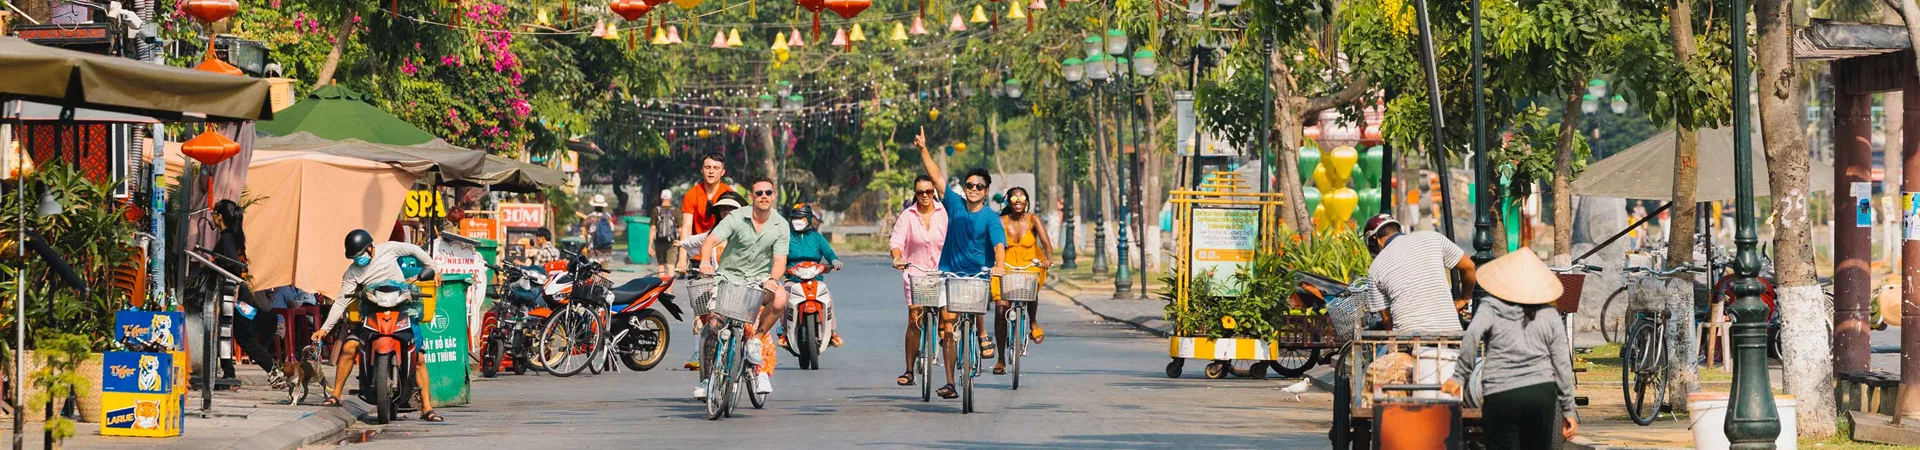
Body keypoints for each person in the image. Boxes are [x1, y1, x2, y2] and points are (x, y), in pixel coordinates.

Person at [1442, 248, 1578, 448]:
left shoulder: (1490, 307)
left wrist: (1459, 377)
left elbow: (1471, 336)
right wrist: (1568, 410)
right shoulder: (1549, 314)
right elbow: (1562, 362)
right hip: (1540, 394)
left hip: (1501, 393)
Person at [913, 127, 1008, 400]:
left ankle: (979, 336)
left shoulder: (990, 217)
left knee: (971, 317)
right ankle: (950, 382)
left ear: (986, 191)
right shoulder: (954, 204)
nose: (974, 189)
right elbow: (936, 177)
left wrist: (999, 267)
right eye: (970, 185)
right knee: (948, 325)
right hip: (949, 275)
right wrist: (923, 149)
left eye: (979, 186)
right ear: (964, 188)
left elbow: (999, 246)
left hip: (978, 278)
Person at [311, 229, 444, 422]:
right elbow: (341, 302)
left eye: (360, 255)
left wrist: (434, 268)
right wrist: (324, 329)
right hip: (372, 314)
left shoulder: (389, 249)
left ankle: (427, 408)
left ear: (370, 248)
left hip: (402, 311)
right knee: (349, 347)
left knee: (420, 357)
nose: (358, 260)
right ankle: (335, 395)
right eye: (354, 257)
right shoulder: (352, 273)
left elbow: (414, 250)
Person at [1360, 213, 1478, 397]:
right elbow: (1469, 267)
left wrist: (1392, 345)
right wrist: (1464, 298)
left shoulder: (1375, 269)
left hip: (1409, 340)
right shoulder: (1433, 238)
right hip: (1451, 334)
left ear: (1375, 240)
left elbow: (1387, 320)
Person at [696, 178, 790, 399]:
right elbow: (710, 241)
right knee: (714, 326)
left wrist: (773, 279)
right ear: (751, 196)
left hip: (759, 281)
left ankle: (756, 340)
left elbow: (779, 260)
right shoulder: (737, 217)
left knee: (780, 298)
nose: (764, 196)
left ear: (773, 196)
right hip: (729, 278)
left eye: (768, 192)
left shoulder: (781, 225)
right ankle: (707, 380)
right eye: (759, 193)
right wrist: (705, 262)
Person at [210, 200, 279, 384]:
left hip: (236, 295)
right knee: (232, 334)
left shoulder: (227, 239)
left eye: (214, 214)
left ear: (220, 217)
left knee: (241, 336)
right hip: (240, 294)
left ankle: (273, 369)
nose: (212, 218)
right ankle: (230, 373)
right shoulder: (234, 236)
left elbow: (233, 265)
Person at [889, 174, 947, 389]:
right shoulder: (907, 216)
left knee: (947, 321)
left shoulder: (944, 213)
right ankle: (909, 370)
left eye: (929, 191)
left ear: (934, 192)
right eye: (920, 192)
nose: (925, 196)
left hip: (942, 273)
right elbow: (896, 241)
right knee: (915, 318)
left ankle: (950, 366)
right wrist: (897, 258)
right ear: (915, 193)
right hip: (916, 273)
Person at [990, 186, 1051, 376]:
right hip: (1005, 267)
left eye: (1022, 198)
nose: (1018, 201)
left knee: (1031, 286)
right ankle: (1001, 359)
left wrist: (1048, 259)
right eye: (1014, 198)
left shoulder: (1033, 220)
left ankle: (1033, 322)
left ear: (1027, 201)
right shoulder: (1001, 221)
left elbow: (1046, 243)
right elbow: (992, 244)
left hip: (1029, 265)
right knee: (1001, 310)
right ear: (1008, 201)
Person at [682, 191, 744, 371]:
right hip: (716, 284)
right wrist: (681, 249)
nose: (727, 213)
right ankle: (704, 366)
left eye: (731, 209)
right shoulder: (713, 234)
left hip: (741, 285)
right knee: (708, 320)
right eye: (723, 209)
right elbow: (693, 242)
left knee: (752, 329)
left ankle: (755, 369)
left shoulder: (747, 234)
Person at [781, 203, 844, 348]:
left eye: (801, 218)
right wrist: (783, 269)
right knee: (784, 298)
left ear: (808, 219)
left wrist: (834, 261)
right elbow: (779, 256)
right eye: (795, 218)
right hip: (793, 279)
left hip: (815, 279)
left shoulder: (817, 238)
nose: (797, 220)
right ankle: (784, 333)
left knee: (828, 298)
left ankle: (832, 333)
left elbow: (828, 252)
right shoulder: (786, 238)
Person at [678, 152, 733, 272]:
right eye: (708, 167)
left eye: (716, 168)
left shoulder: (728, 194)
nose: (711, 171)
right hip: (698, 253)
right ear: (702, 170)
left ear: (722, 172)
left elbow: (732, 226)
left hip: (722, 255)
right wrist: (682, 258)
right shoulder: (691, 194)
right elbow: (687, 226)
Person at [653, 189, 679, 275]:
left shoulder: (656, 210)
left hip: (659, 241)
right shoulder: (675, 210)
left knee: (661, 265)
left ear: (661, 198)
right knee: (671, 266)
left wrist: (649, 246)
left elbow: (653, 228)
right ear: (670, 198)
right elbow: (681, 228)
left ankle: (661, 283)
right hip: (672, 241)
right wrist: (681, 242)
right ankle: (670, 284)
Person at [584, 195, 615, 262]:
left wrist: (586, 244)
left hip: (594, 247)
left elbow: (585, 233)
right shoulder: (607, 217)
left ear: (594, 206)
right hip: (606, 246)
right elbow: (612, 228)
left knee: (594, 267)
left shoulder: (589, 217)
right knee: (604, 266)